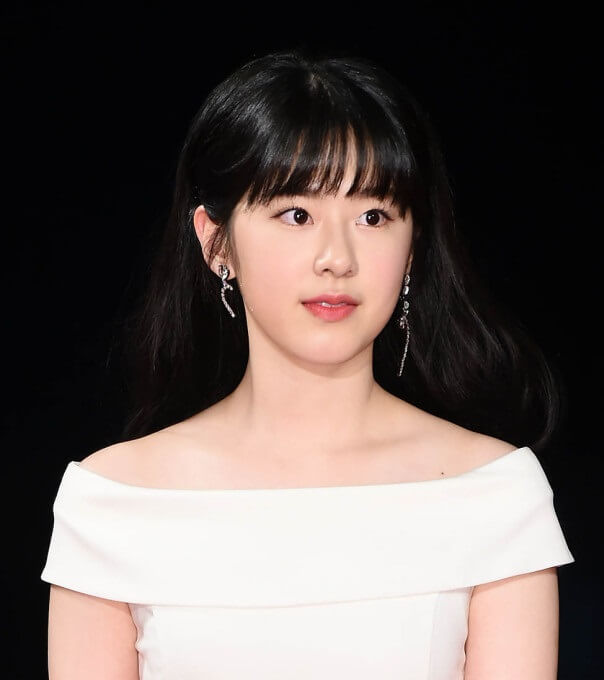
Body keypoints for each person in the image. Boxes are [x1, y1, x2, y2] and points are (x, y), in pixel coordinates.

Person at [41, 49, 575, 679]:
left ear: (413, 246)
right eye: (296, 215)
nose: (336, 258)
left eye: (373, 216)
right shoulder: (114, 502)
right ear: (215, 241)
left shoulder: (493, 495)